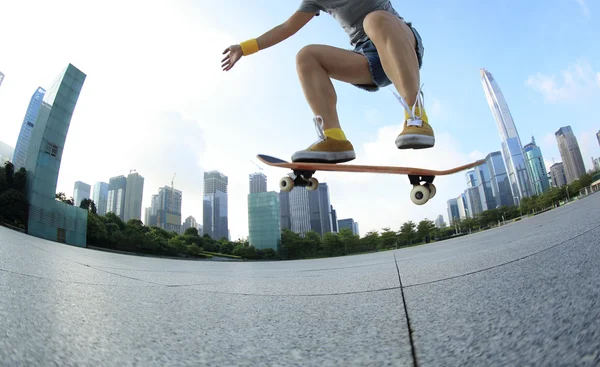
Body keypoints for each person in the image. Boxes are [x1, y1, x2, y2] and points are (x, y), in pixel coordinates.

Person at [221, 0, 433, 164]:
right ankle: (334, 138)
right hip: (368, 59)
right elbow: (286, 27)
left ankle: (416, 117)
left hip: (400, 42)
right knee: (306, 56)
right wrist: (244, 47)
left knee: (374, 19)